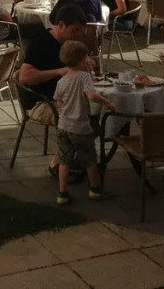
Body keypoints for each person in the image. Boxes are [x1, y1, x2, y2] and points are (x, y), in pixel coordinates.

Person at [18, 5, 89, 176]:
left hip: (64, 97)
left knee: (98, 111)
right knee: (77, 116)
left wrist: (87, 61)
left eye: (80, 31)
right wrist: (59, 72)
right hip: (40, 101)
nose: (78, 35)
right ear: (61, 25)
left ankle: (79, 156)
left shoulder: (69, 44)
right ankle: (59, 162)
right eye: (75, 30)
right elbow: (24, 77)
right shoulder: (42, 43)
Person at [53, 40, 118, 204]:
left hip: (63, 126)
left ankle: (62, 193)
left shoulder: (61, 81)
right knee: (89, 160)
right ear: (82, 60)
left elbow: (58, 101)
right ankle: (95, 189)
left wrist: (62, 113)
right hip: (80, 127)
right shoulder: (84, 77)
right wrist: (107, 103)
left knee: (64, 161)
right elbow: (91, 95)